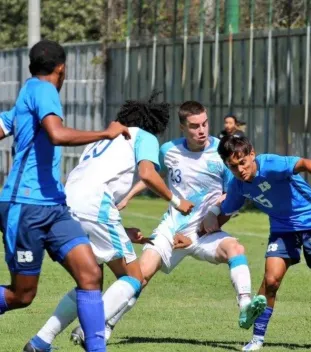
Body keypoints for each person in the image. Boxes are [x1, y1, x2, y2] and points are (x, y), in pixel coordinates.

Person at [69, 101, 267, 346]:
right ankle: (101, 326)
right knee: (138, 277)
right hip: (171, 232)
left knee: (235, 249)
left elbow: (234, 193)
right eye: (194, 126)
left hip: (204, 232)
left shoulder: (221, 152)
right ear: (183, 127)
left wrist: (214, 213)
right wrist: (129, 196)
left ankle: (245, 305)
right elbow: (152, 175)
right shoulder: (168, 150)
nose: (202, 130)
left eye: (205, 123)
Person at [23, 91, 194, 352]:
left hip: (67, 205)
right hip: (95, 207)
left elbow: (88, 188)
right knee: (134, 278)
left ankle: (40, 341)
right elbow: (147, 174)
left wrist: (122, 231)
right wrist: (177, 202)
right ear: (155, 125)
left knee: (89, 281)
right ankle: (92, 328)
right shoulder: (143, 136)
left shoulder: (101, 141)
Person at [0, 39, 131, 352]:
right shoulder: (44, 90)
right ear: (62, 69)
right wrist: (105, 132)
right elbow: (56, 134)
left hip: (55, 208)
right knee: (23, 295)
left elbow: (5, 125)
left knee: (90, 274)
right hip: (26, 207)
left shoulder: (27, 92)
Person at [203, 135, 311, 351]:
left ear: (252, 154)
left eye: (242, 162)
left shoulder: (270, 164)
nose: (240, 170)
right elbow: (228, 209)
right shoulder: (238, 186)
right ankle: (257, 339)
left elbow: (305, 163)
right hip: (282, 229)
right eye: (233, 167)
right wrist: (207, 222)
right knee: (271, 282)